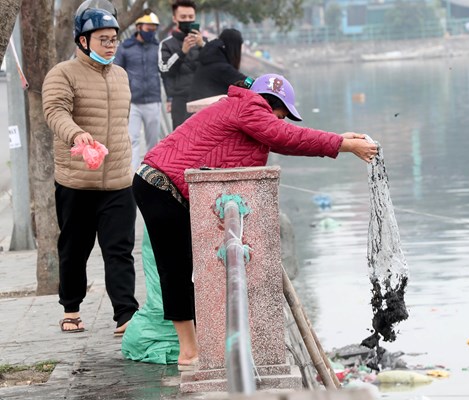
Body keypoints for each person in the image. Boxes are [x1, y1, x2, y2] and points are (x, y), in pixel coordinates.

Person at [131, 73, 379, 369]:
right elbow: (288, 137)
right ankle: (188, 352)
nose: (282, 121)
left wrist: (341, 139)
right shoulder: (249, 108)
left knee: (186, 268)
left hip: (166, 188)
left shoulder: (245, 113)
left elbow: (280, 137)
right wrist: (342, 144)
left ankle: (197, 345)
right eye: (282, 114)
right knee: (176, 270)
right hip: (161, 187)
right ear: (271, 104)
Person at [42, 1, 139, 336]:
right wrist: (77, 134)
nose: (111, 45)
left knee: (120, 250)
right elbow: (55, 111)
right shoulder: (62, 74)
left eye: (114, 39)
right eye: (103, 39)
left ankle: (126, 315)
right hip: (76, 181)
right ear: (82, 41)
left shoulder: (122, 75)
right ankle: (71, 308)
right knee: (74, 250)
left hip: (118, 181)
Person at [114, 10, 162, 170]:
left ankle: (150, 174)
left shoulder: (158, 47)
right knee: (132, 140)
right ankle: (133, 176)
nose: (151, 33)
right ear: (139, 27)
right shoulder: (125, 48)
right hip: (132, 102)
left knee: (153, 142)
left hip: (153, 100)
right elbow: (117, 71)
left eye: (154, 30)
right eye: (149, 29)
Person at [158, 0, 204, 129]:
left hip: (203, 99)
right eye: (183, 17)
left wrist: (203, 46)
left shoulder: (204, 42)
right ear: (175, 18)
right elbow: (164, 70)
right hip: (180, 101)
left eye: (191, 17)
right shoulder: (167, 44)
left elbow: (216, 66)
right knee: (181, 143)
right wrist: (181, 52)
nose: (187, 20)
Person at [189, 28, 246, 101]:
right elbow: (246, 82)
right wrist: (260, 82)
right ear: (234, 47)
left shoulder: (211, 58)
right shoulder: (221, 67)